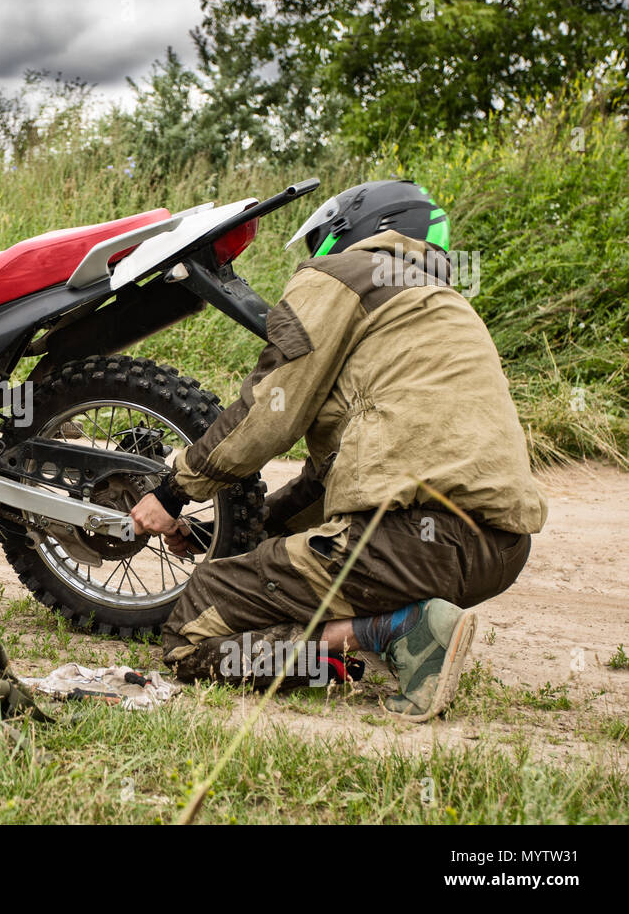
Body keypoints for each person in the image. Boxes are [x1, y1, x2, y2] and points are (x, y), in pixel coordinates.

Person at [130, 180, 547, 722]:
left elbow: (269, 412)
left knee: (194, 626)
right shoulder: (444, 310)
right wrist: (227, 534)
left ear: (355, 228)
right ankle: (382, 633)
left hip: (408, 541)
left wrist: (174, 489)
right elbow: (326, 481)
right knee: (304, 565)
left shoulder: (342, 276)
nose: (314, 256)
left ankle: (396, 630)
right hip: (499, 552)